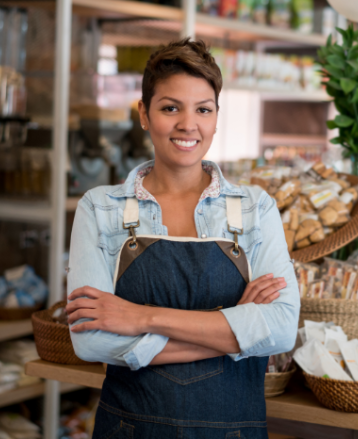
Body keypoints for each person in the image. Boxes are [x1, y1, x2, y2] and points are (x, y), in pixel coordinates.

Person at [66, 38, 300, 439]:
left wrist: (141, 317)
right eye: (170, 107)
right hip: (130, 428)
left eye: (203, 110)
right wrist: (234, 333)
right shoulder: (100, 207)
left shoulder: (254, 208)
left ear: (215, 117)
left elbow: (279, 329)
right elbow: (91, 341)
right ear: (144, 113)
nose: (188, 124)